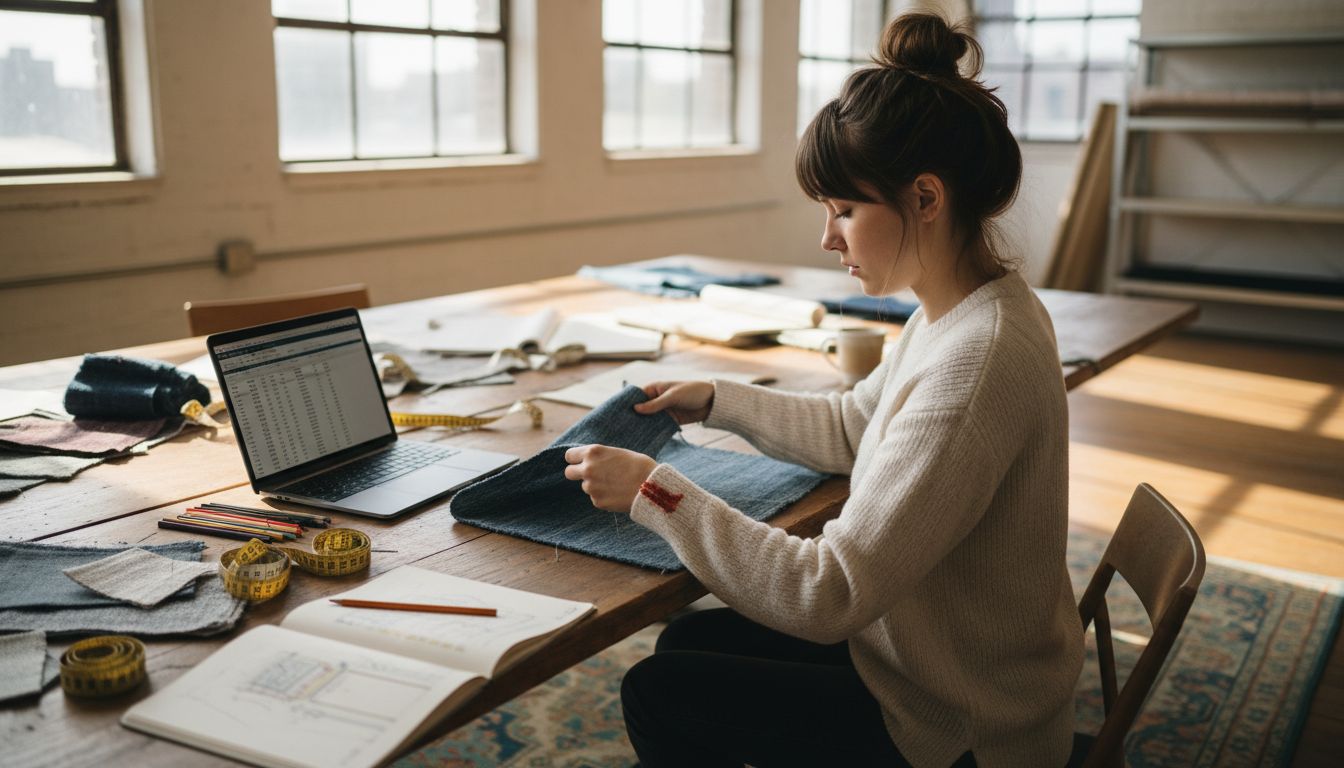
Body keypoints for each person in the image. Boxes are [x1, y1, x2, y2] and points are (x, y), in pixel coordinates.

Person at [562, 12, 1083, 767]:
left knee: (658, 691)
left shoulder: (976, 361)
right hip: (923, 659)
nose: (827, 238)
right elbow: (852, 428)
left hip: (960, 726)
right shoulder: (965, 311)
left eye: (844, 210)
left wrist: (656, 492)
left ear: (926, 198)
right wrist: (717, 397)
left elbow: (828, 592)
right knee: (687, 639)